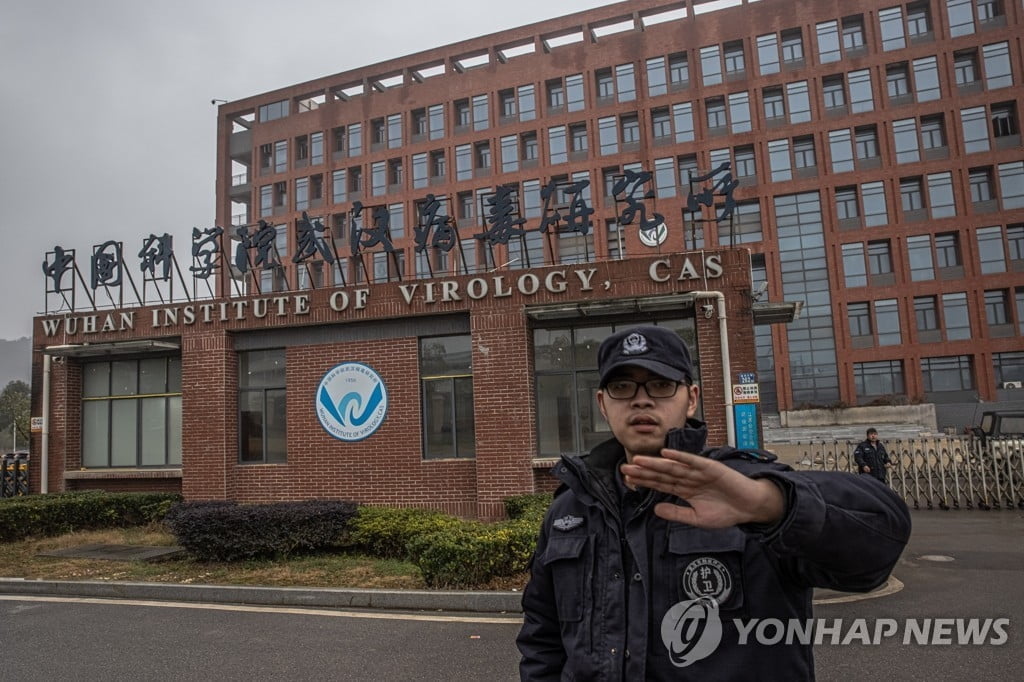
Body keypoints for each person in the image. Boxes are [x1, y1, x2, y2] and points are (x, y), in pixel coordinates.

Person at [517, 325, 911, 681]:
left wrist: (771, 505)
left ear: (690, 400)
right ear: (603, 405)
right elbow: (543, 636)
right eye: (623, 388)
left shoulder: (746, 488)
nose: (640, 401)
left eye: (659, 385)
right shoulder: (571, 508)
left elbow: (879, 544)